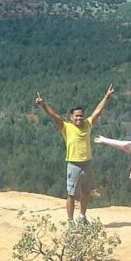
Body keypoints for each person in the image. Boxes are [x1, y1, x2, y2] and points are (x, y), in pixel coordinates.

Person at [36, 85, 114, 224]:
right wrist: (43, 105)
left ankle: (82, 217)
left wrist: (107, 97)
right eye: (77, 116)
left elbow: (98, 111)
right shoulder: (66, 127)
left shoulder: (88, 125)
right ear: (71, 117)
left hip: (87, 163)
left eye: (81, 116)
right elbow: (54, 116)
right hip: (73, 164)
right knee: (71, 195)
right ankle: (70, 221)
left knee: (87, 192)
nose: (79, 118)